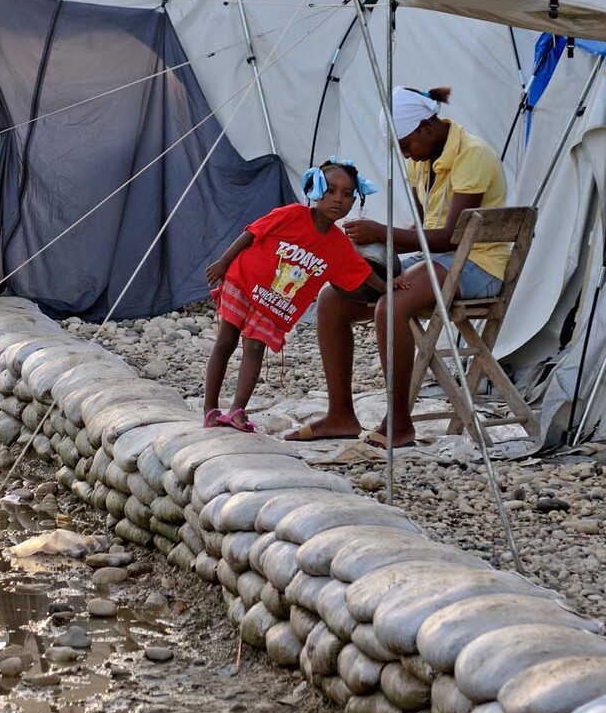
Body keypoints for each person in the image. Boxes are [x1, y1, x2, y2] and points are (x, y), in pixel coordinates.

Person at [289, 86, 508, 448]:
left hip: (478, 265)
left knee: (393, 305)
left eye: (405, 143)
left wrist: (382, 231)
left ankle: (401, 423)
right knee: (332, 299)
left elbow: (450, 238)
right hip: (437, 260)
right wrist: (375, 243)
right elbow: (424, 233)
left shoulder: (473, 155)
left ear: (426, 127)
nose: (404, 152)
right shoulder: (420, 161)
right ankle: (341, 414)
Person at [203, 159, 403, 432]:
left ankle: (238, 410)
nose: (338, 200)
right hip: (244, 283)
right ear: (315, 189)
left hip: (273, 303)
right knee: (226, 340)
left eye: (346, 195)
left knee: (254, 348)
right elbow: (252, 234)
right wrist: (224, 262)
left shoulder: (339, 245)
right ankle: (210, 408)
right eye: (331, 190)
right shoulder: (292, 214)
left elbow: (362, 273)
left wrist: (388, 287)